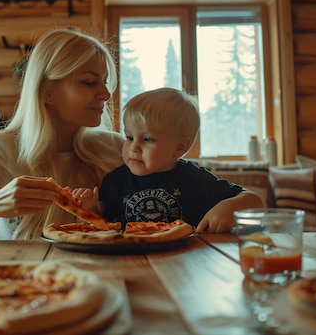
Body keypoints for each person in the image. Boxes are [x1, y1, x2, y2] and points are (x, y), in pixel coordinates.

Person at [0, 28, 125, 240]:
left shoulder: (116, 149)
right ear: (47, 91)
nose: (106, 94)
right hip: (21, 273)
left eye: (105, 81)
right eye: (89, 82)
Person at [76, 87, 263, 233]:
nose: (134, 147)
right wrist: (88, 208)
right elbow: (103, 228)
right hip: (128, 258)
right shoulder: (115, 180)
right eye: (130, 137)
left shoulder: (194, 178)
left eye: (147, 139)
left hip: (183, 260)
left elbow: (254, 200)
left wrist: (227, 207)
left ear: (179, 147)